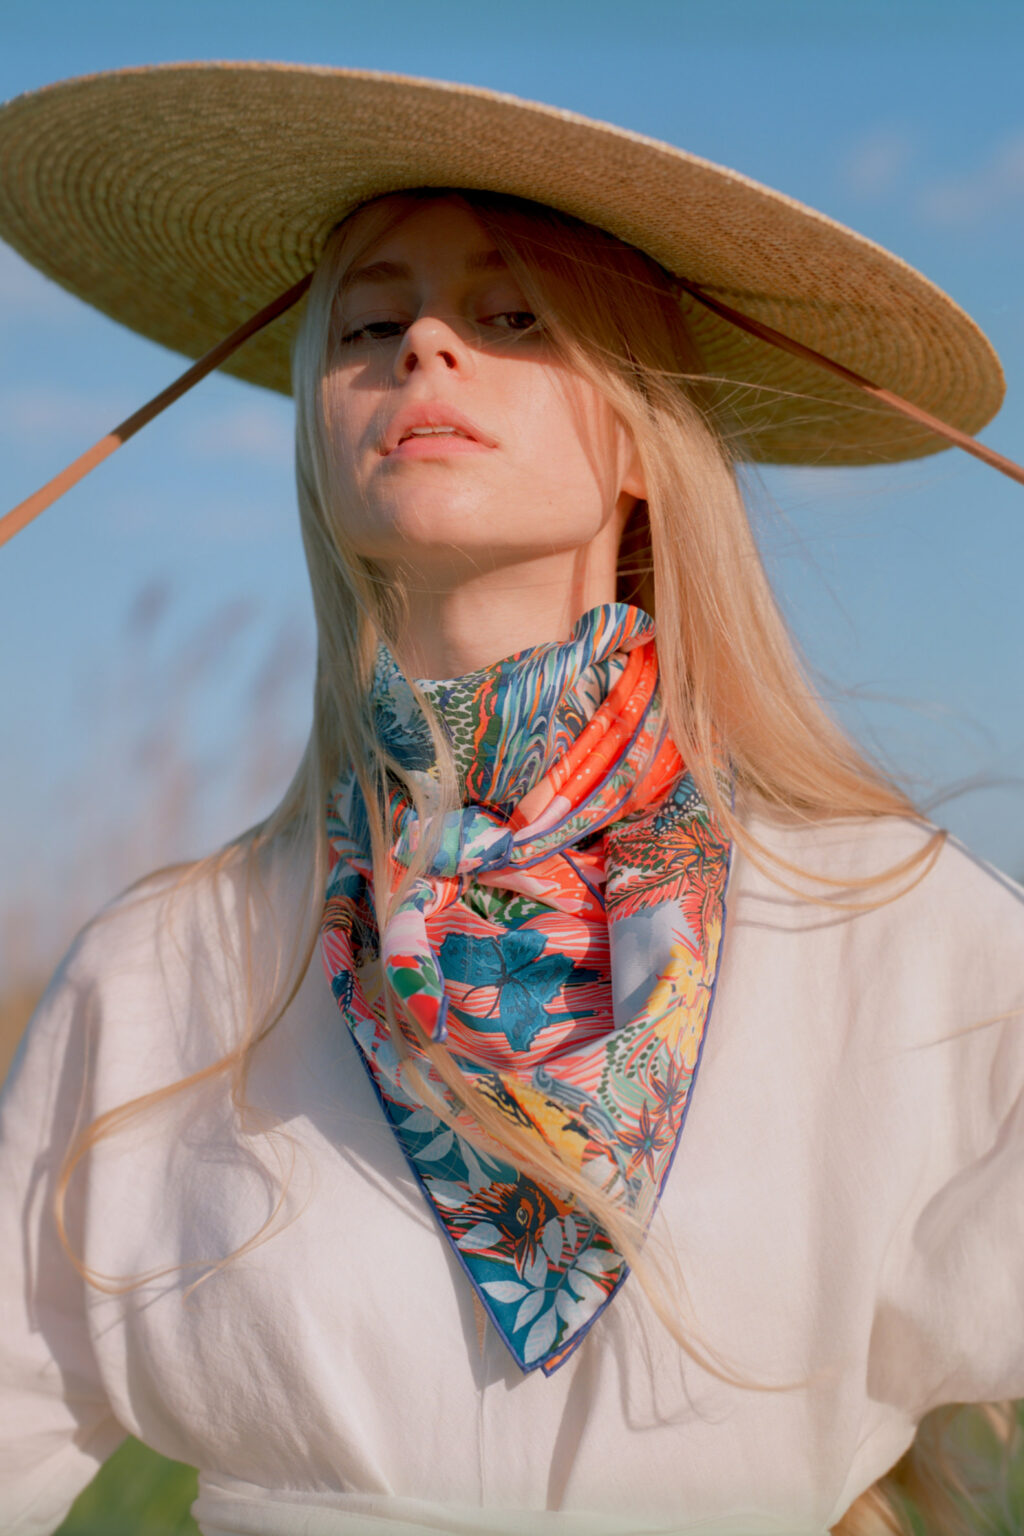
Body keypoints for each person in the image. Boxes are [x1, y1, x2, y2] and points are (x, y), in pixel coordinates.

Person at [0, 63, 1022, 1536]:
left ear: (644, 441)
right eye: (370, 324)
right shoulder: (167, 971)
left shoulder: (898, 929)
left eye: (513, 316)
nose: (424, 344)